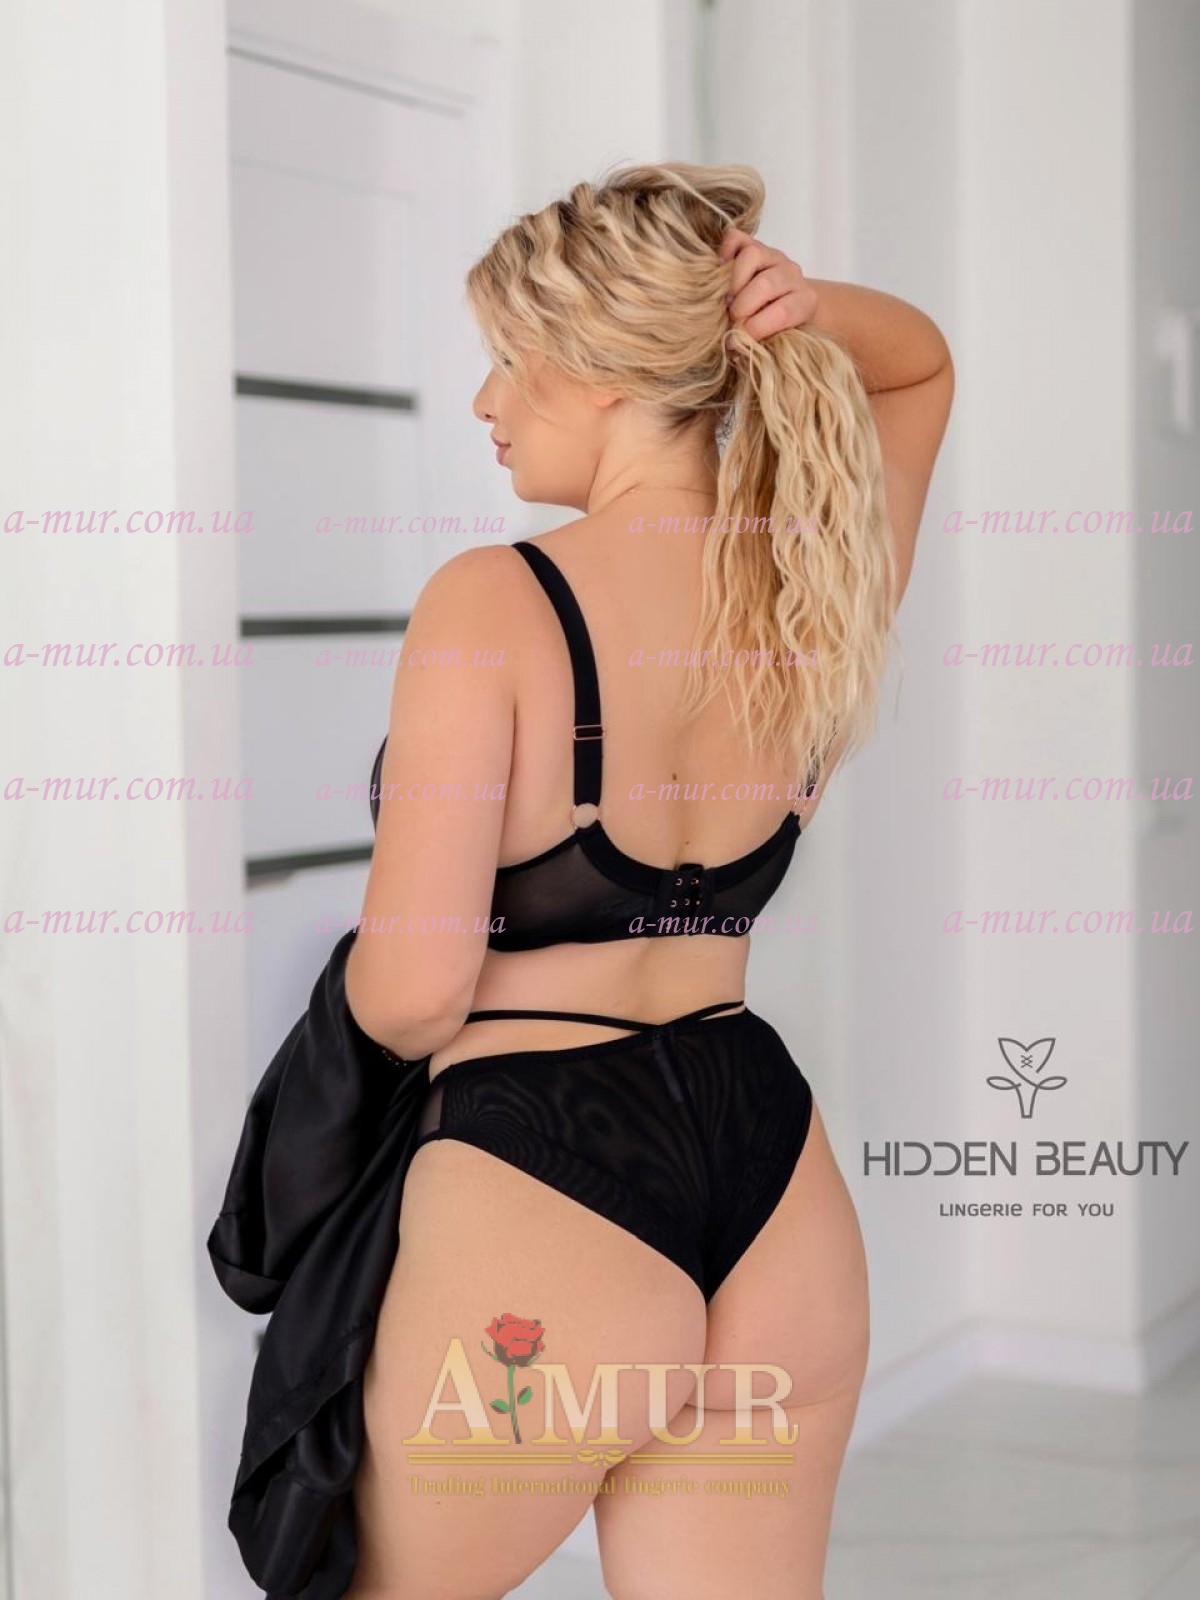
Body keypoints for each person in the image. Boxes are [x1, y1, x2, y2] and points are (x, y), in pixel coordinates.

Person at [341, 161, 953, 1599]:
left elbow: (414, 991)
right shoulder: (808, 591)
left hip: (544, 1175)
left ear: (606, 370)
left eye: (511, 358)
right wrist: (800, 306)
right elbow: (918, 368)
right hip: (770, 1176)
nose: (486, 401)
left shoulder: (490, 600)